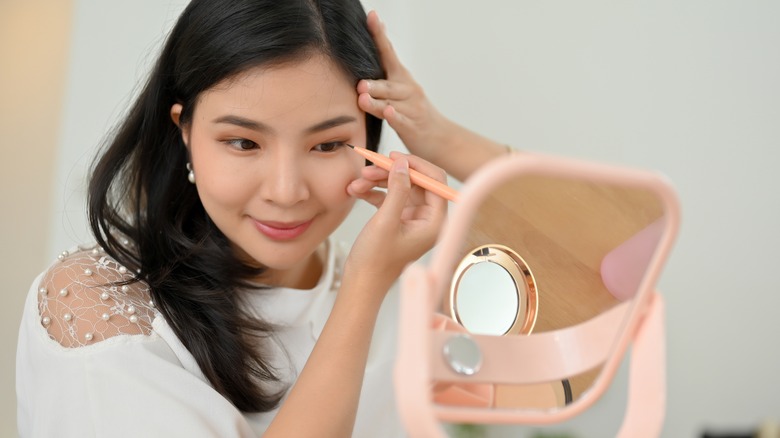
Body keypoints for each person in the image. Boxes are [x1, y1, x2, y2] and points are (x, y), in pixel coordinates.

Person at [16, 1, 508, 437]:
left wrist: (441, 138)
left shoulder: (406, 293)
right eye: (244, 143)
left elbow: (587, 255)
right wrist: (365, 289)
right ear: (183, 131)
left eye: (329, 144)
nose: (286, 191)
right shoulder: (95, 312)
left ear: (371, 145)